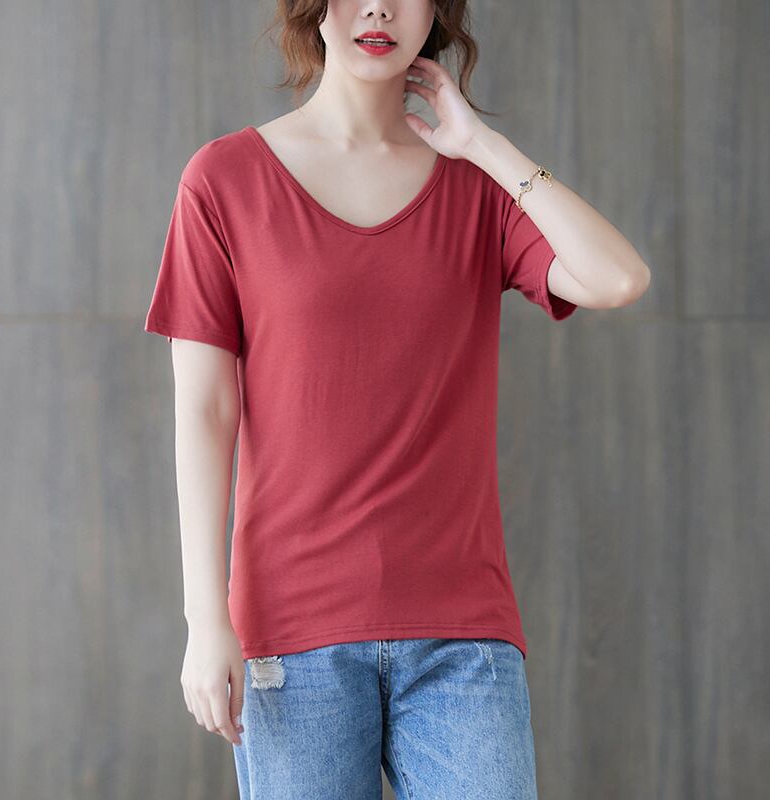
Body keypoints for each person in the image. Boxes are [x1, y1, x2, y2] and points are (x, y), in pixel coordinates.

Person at [144, 1, 651, 797]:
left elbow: (618, 278)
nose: (378, 7)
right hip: (292, 633)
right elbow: (205, 415)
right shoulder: (224, 181)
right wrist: (206, 621)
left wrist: (482, 144)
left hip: (462, 635)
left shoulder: (477, 188)